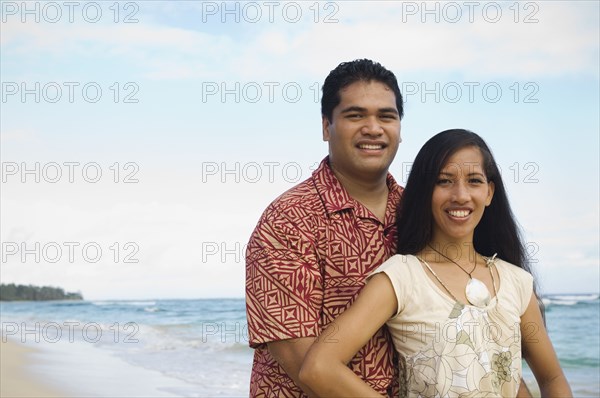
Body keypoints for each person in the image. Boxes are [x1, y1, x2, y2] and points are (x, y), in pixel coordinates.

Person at [299, 129, 572, 397]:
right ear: (425, 192)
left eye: (474, 181)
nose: (460, 195)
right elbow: (319, 368)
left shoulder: (517, 281)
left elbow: (552, 378)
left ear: (489, 193)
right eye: (444, 181)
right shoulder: (401, 277)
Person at [245, 59, 404, 396]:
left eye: (386, 116)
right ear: (325, 127)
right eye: (355, 115)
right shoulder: (288, 220)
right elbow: (305, 366)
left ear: (399, 129)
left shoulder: (418, 213)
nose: (373, 128)